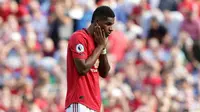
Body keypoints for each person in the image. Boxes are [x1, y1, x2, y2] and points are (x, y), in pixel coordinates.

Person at [65, 6, 115, 112]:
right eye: (108, 24)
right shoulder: (79, 37)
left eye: (112, 25)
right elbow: (82, 69)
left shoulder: (98, 42)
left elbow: (104, 73)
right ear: (97, 22)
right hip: (79, 102)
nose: (111, 28)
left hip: (94, 105)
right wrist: (100, 46)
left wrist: (103, 48)